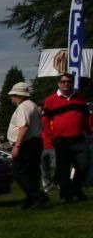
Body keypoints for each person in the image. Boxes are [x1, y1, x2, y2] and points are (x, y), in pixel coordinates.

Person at [42, 73, 90, 201]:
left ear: (72, 83)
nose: (66, 84)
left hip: (78, 138)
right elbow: (45, 120)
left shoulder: (80, 98)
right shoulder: (50, 100)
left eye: (69, 81)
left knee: (84, 164)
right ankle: (66, 194)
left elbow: (86, 118)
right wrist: (50, 136)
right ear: (58, 83)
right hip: (61, 140)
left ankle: (76, 188)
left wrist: (90, 132)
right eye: (63, 82)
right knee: (63, 169)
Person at [6, 82, 47, 210]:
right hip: (34, 142)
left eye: (13, 95)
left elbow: (24, 127)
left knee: (18, 172)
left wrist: (17, 146)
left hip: (26, 144)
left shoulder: (23, 107)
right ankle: (32, 199)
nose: (11, 97)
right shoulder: (32, 105)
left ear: (18, 95)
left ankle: (37, 196)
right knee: (31, 172)